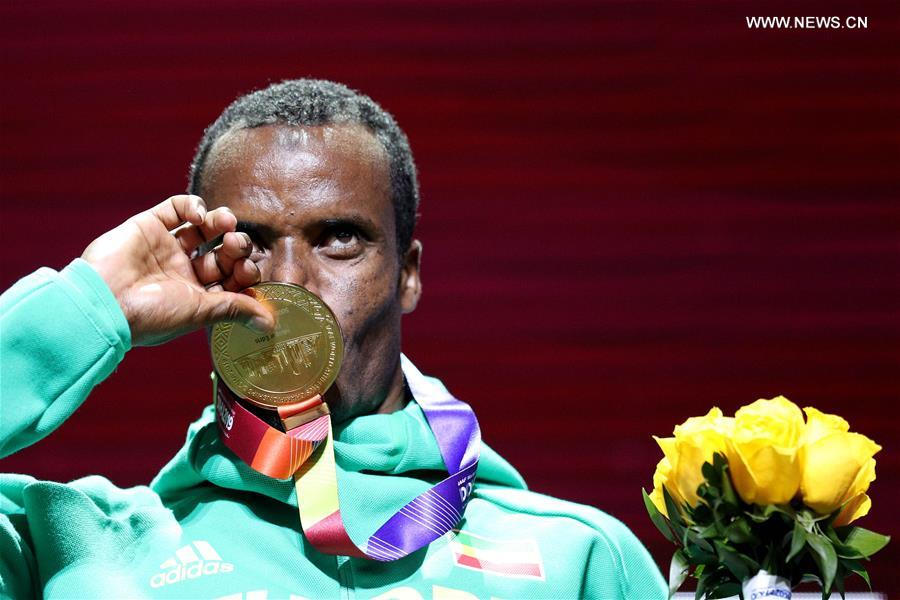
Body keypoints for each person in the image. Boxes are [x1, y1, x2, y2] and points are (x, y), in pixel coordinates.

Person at [0, 79, 665, 599]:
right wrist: (92, 304)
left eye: (339, 238)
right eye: (250, 243)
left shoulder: (578, 559)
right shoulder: (76, 547)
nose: (290, 281)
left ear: (407, 275)